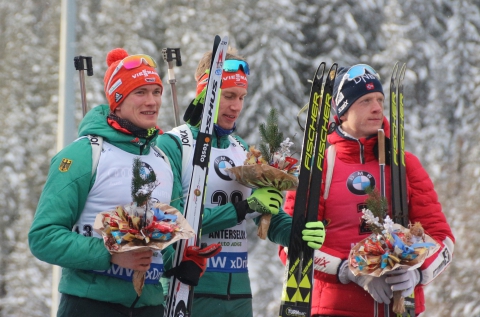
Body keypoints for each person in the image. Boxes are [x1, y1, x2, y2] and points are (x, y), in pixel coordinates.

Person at [28, 48, 209, 317]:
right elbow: (43, 237)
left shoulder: (163, 159)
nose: (152, 102)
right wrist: (109, 253)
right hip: (90, 304)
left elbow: (164, 240)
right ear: (117, 101)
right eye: (140, 92)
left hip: (149, 306)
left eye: (156, 92)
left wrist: (183, 259)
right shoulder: (84, 154)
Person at [156, 47, 326, 317]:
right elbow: (169, 224)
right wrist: (243, 208)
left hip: (238, 294)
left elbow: (266, 218)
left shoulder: (241, 148)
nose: (236, 106)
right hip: (189, 288)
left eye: (242, 97)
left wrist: (297, 232)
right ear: (206, 94)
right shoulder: (174, 144)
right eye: (229, 96)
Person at [278, 64, 455, 316]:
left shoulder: (404, 165)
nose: (377, 107)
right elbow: (290, 245)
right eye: (365, 101)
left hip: (397, 307)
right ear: (343, 110)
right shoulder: (318, 166)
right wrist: (349, 271)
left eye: (379, 99)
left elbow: (442, 238)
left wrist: (418, 273)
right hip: (334, 308)